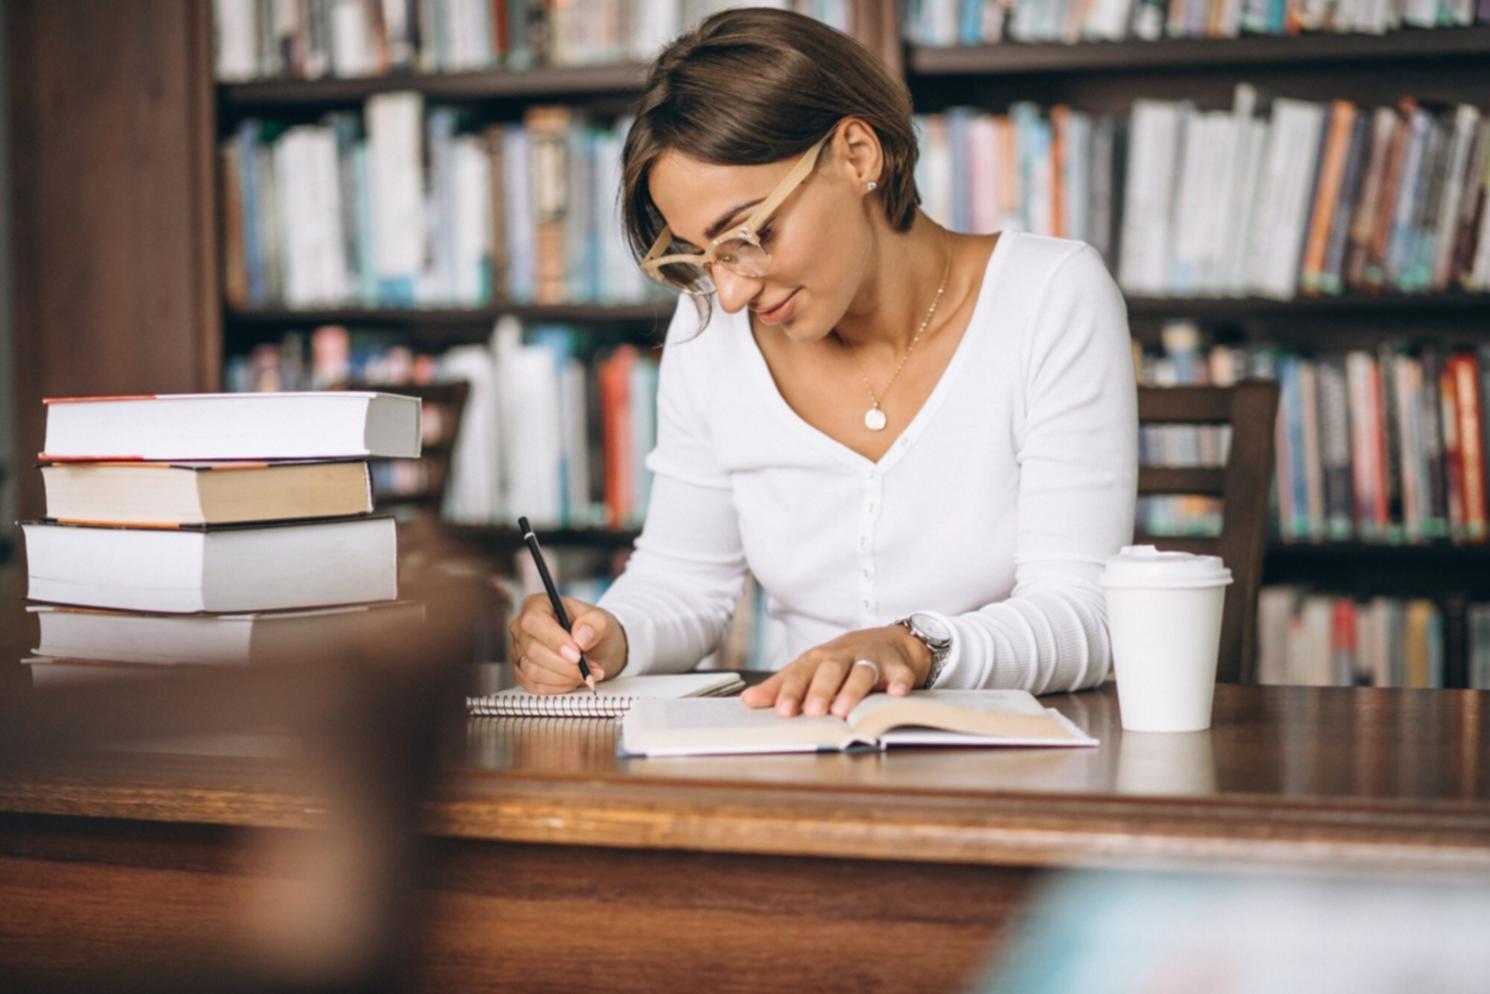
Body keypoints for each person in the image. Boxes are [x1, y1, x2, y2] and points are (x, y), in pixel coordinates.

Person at [508, 7, 1136, 718]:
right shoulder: (708, 328)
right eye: (702, 254)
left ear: (858, 155)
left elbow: (1086, 613)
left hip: (1018, 762)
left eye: (748, 234)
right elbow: (685, 579)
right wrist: (605, 635)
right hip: (798, 755)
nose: (735, 290)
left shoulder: (1049, 295)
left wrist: (911, 648)